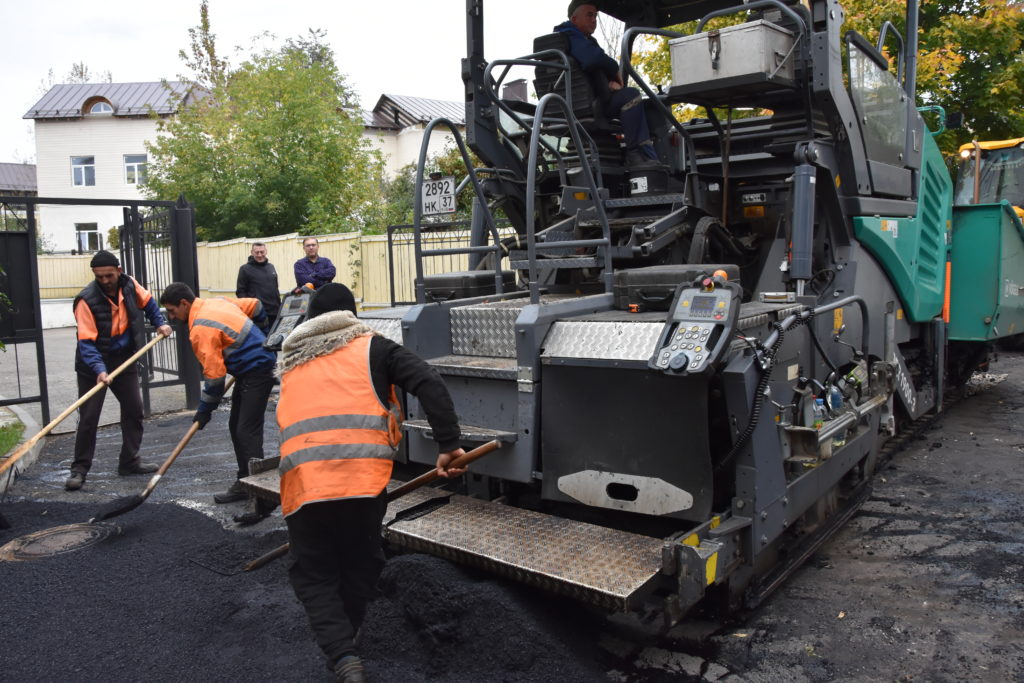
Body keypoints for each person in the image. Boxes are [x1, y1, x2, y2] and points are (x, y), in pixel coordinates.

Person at [276, 283, 465, 682]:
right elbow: (429, 382)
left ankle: (343, 655)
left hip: (304, 484)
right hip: (362, 481)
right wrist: (448, 445)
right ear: (352, 316)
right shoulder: (374, 347)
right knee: (360, 559)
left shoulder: (292, 360)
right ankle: (349, 634)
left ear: (311, 320)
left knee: (314, 571)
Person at [159, 283, 276, 505]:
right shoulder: (217, 302)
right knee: (237, 427)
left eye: (173, 311)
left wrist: (204, 412)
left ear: (184, 304)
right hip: (250, 371)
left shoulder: (200, 329)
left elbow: (214, 380)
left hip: (258, 371)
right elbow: (256, 305)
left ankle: (262, 495)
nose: (172, 318)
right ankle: (246, 482)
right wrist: (264, 335)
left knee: (246, 430)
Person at [66, 250, 173, 491]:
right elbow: (86, 343)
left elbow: (149, 304)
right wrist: (99, 371)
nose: (105, 281)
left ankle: (129, 461)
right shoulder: (86, 300)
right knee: (89, 417)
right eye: (100, 277)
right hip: (92, 365)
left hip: (124, 360)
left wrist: (160, 323)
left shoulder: (129, 285)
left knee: (134, 409)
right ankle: (79, 470)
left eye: (109, 275)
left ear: (119, 271)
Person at [555, 0, 660, 166]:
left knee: (634, 100)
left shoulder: (570, 43)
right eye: (589, 15)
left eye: (595, 16)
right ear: (574, 19)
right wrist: (614, 71)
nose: (594, 19)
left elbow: (591, 68)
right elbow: (592, 60)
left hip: (576, 104)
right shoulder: (570, 35)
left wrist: (609, 83)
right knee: (630, 96)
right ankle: (637, 155)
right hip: (587, 105)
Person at [236, 242, 281, 331]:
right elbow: (240, 292)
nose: (260, 255)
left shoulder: (271, 267)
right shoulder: (245, 269)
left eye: (262, 252)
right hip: (257, 314)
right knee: (261, 341)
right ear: (252, 252)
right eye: (257, 252)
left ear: (266, 251)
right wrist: (249, 310)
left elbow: (275, 288)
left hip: (275, 312)